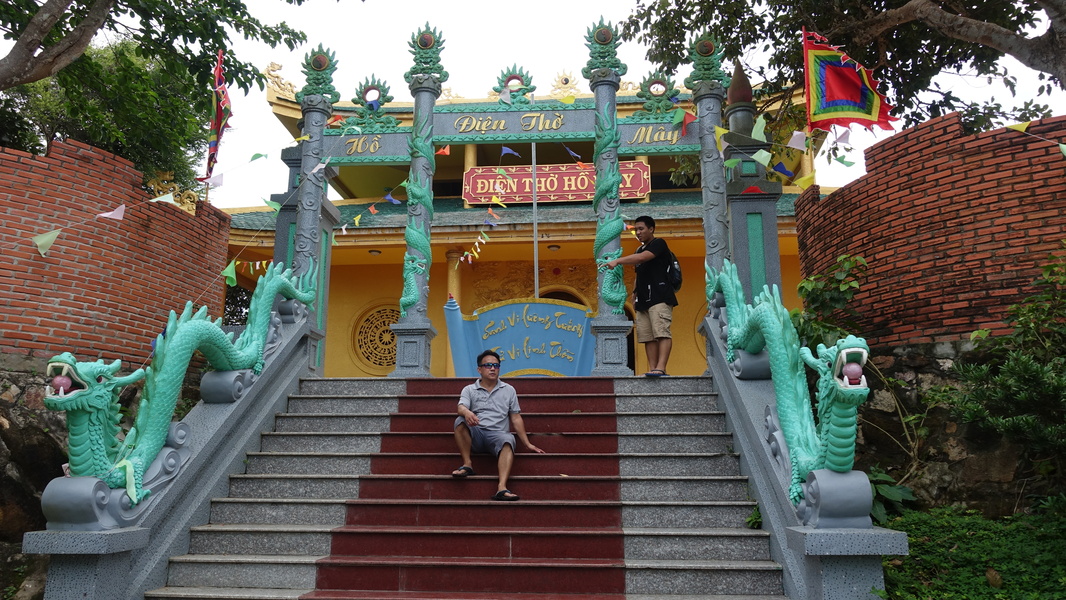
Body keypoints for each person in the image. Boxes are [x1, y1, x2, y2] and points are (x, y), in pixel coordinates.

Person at [451, 349, 544, 501]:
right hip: (477, 433)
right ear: (479, 369)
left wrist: (527, 444)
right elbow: (460, 407)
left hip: (498, 436)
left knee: (508, 439)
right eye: (488, 365)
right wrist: (467, 412)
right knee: (459, 421)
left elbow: (515, 418)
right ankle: (467, 464)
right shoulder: (469, 389)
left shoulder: (509, 390)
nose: (493, 368)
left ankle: (502, 487)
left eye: (496, 365)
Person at [605, 215, 678, 377]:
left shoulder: (659, 243)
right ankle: (653, 368)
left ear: (651, 229)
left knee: (661, 332)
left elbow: (643, 258)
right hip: (643, 299)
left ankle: (661, 367)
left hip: (660, 296)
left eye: (641, 229)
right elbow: (639, 274)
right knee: (647, 336)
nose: (638, 232)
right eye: (636, 229)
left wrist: (618, 260)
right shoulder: (639, 249)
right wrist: (634, 293)